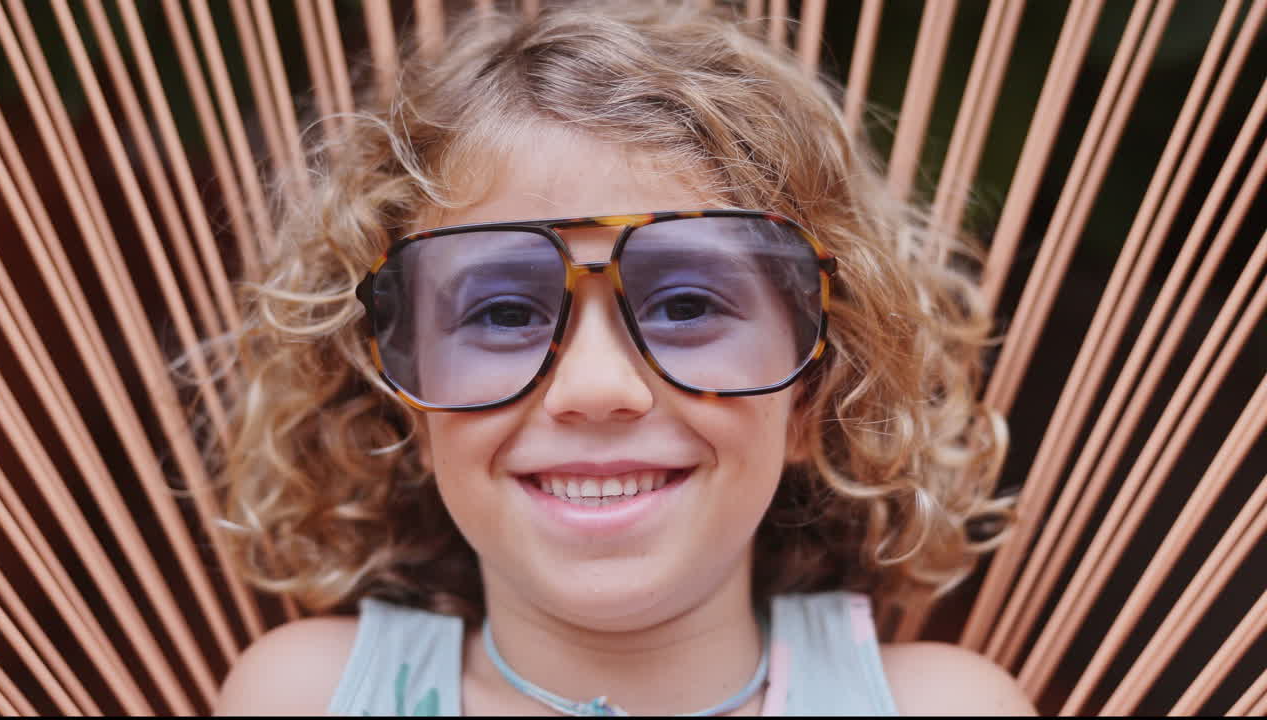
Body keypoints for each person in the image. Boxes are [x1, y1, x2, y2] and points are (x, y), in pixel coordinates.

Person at [206, 0, 1035, 714]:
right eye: (501, 312)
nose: (596, 388)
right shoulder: (309, 695)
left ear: (815, 392)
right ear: (403, 399)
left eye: (686, 306)